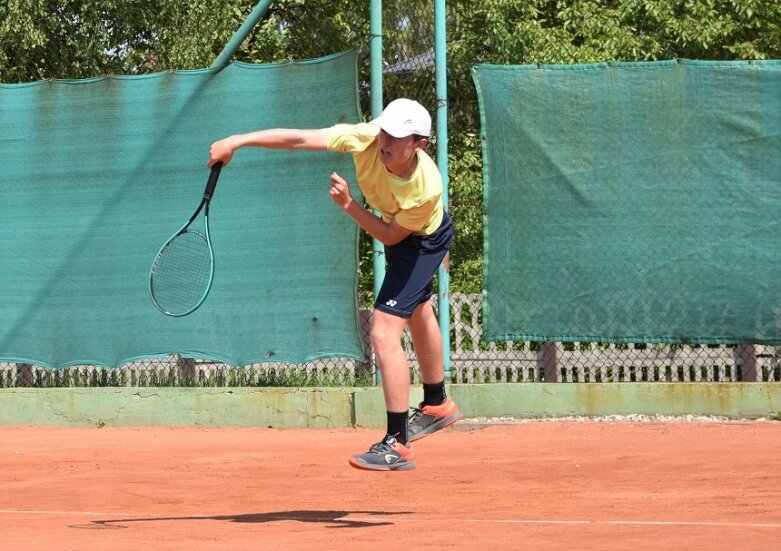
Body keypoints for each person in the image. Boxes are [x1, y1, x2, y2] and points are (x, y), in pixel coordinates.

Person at [208, 98, 461, 471]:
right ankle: (438, 404)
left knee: (383, 332)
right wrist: (238, 140)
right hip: (407, 231)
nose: (385, 141)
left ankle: (397, 443)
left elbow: (392, 237)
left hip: (420, 240)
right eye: (385, 131)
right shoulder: (365, 138)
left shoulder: (426, 187)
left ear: (419, 143)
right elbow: (297, 139)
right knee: (419, 309)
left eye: (397, 136)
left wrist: (348, 205)